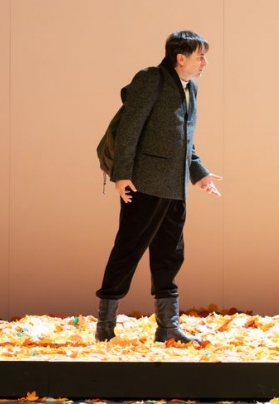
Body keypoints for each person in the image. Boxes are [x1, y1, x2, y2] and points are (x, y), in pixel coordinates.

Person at [95, 30, 222, 344]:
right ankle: (105, 326)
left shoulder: (191, 88)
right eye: (200, 56)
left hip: (176, 189)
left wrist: (200, 174)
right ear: (180, 58)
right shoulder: (151, 79)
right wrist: (122, 175)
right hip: (145, 184)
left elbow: (185, 139)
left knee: (170, 255)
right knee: (128, 250)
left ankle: (168, 328)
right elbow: (130, 129)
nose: (204, 63)